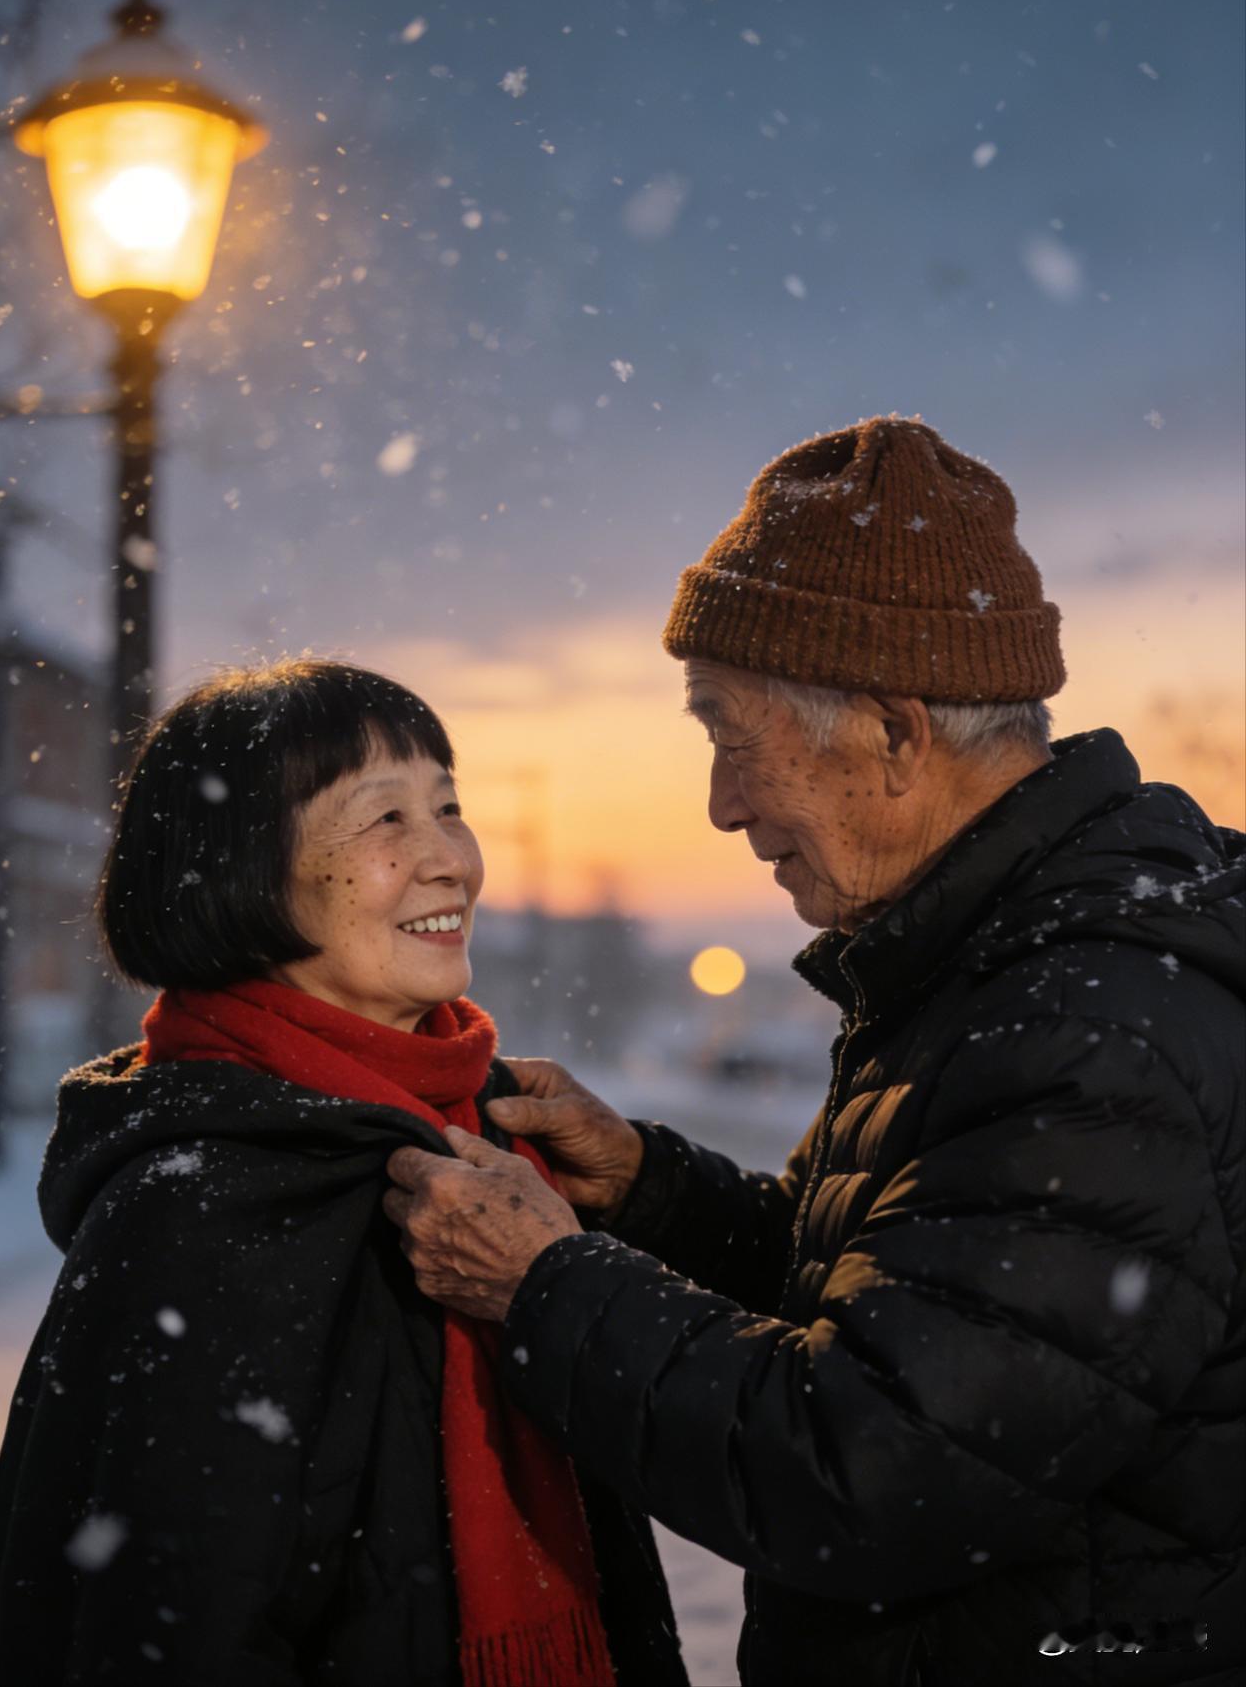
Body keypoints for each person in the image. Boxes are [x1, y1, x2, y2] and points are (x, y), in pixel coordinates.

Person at [382, 417, 1246, 1685]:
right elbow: (899, 1293)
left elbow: (871, 1466)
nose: (723, 802)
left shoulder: (1082, 1025)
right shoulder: (1000, 967)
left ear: (895, 731)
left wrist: (545, 1284)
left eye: (731, 736)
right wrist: (643, 1187)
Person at [0, 660, 686, 1687]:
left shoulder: (486, 1144)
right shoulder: (202, 1198)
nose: (451, 859)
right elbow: (171, 1627)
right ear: (243, 872)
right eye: (383, 818)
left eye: (448, 804)